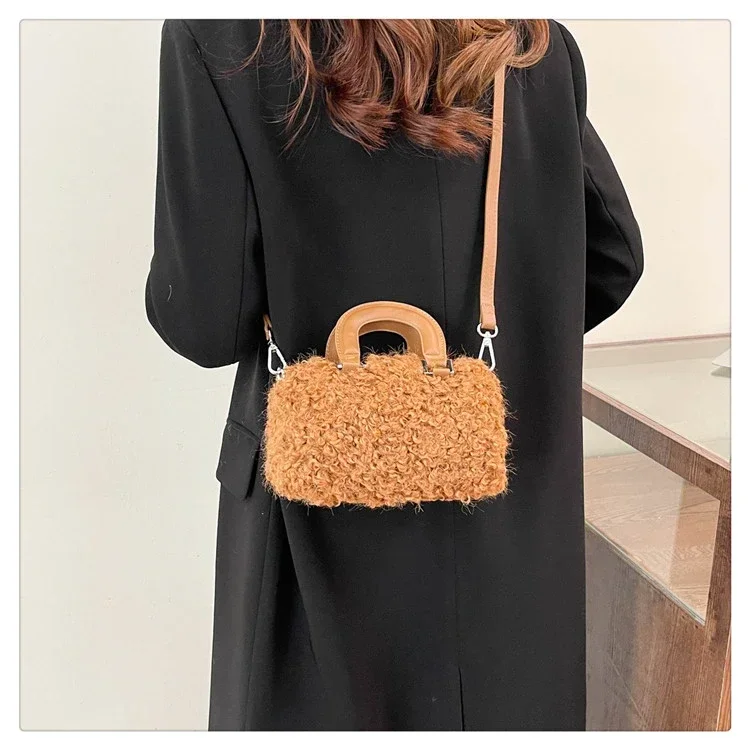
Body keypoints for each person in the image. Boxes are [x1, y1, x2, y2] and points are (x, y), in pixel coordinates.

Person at [145, 19, 643, 731]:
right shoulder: (532, 46)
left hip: (310, 535)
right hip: (509, 534)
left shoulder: (226, 35)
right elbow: (614, 256)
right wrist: (501, 354)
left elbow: (204, 322)